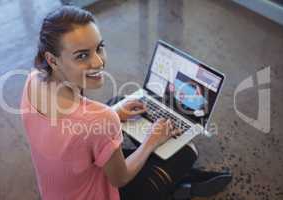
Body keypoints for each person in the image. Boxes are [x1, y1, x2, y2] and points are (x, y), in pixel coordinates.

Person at [21, 6, 232, 200]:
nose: (98, 62)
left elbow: (73, 131)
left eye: (99, 47)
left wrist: (115, 112)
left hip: (56, 191)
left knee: (119, 103)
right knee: (187, 152)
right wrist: (151, 141)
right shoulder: (100, 118)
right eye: (82, 55)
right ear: (52, 59)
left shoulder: (33, 79)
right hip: (98, 194)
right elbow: (119, 179)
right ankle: (179, 189)